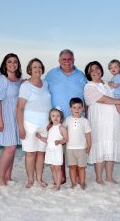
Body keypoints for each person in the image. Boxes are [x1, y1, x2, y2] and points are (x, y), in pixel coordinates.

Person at [45, 49, 87, 183]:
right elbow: (41, 88)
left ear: (74, 60)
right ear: (59, 61)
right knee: (59, 147)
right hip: (58, 119)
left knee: (77, 146)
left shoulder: (81, 75)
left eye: (69, 59)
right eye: (64, 59)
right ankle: (61, 176)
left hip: (76, 118)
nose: (67, 62)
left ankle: (78, 174)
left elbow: (89, 94)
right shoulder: (51, 74)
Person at [84, 61, 120, 184]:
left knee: (110, 148)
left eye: (97, 68)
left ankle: (109, 176)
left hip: (113, 121)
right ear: (88, 74)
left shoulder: (109, 84)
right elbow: (102, 99)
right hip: (99, 122)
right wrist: (118, 102)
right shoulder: (89, 86)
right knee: (100, 147)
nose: (95, 71)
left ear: (101, 70)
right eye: (91, 70)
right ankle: (99, 178)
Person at [17, 58, 52, 188]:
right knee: (31, 153)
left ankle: (39, 178)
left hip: (45, 125)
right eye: (34, 67)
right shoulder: (25, 86)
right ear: (30, 70)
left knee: (41, 153)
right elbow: (19, 107)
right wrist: (21, 127)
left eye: (39, 67)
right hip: (30, 124)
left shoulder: (46, 84)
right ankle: (30, 179)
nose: (37, 69)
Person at [0, 53, 22, 186]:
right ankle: (0, 177)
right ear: (5, 64)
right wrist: (0, 120)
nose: (12, 64)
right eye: (9, 62)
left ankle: (8, 176)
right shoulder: (2, 79)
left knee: (13, 147)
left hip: (16, 116)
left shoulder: (19, 80)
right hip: (4, 115)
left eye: (15, 62)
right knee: (10, 147)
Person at [36, 108, 68, 190]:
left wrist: (60, 141)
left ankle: (58, 185)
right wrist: (40, 137)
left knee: (57, 168)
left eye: (58, 116)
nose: (56, 118)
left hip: (57, 150)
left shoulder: (62, 128)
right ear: (50, 118)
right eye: (53, 116)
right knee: (52, 167)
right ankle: (55, 182)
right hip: (50, 150)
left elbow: (66, 139)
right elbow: (48, 140)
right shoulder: (50, 128)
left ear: (61, 117)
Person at [64, 98, 91, 190]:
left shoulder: (85, 121)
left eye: (79, 107)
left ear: (82, 108)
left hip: (82, 148)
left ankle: (82, 183)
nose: (77, 109)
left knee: (81, 167)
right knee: (72, 167)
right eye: (74, 107)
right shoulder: (67, 120)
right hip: (70, 148)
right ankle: (73, 183)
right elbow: (62, 130)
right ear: (70, 109)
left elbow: (88, 134)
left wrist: (89, 145)